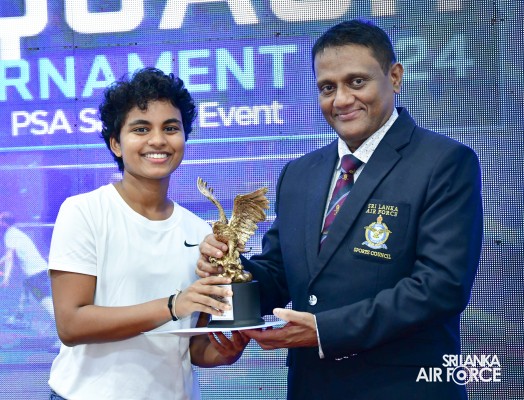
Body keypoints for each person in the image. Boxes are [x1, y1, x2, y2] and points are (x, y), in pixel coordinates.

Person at [198, 19, 483, 400]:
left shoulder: (444, 162)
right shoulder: (299, 173)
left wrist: (325, 331)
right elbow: (279, 275)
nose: (342, 100)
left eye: (357, 82)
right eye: (327, 88)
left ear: (395, 77)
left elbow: (440, 288)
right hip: (311, 388)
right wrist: (231, 269)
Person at [47, 68, 249, 400]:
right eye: (141, 129)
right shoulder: (83, 211)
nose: (158, 140)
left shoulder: (200, 232)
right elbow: (72, 324)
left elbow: (193, 348)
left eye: (170, 128)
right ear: (115, 143)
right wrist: (172, 305)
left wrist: (226, 350)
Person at [0, 211, 55, 329]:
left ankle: (64, 328)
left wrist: (6, 278)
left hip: (35, 274)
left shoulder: (10, 234)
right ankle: (18, 318)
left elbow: (9, 257)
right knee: (25, 293)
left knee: (45, 302)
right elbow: (9, 255)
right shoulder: (15, 233)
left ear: (4, 223)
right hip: (38, 272)